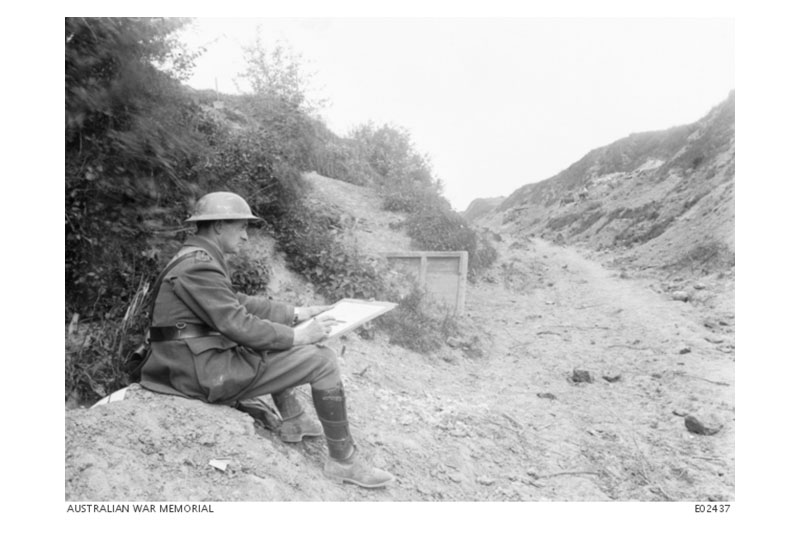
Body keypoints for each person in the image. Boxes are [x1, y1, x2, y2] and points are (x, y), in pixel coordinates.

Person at [140, 191, 394, 489]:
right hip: (198, 373)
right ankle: (344, 461)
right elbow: (237, 323)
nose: (246, 236)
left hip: (188, 362)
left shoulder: (195, 257)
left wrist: (297, 313)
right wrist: (298, 336)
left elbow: (236, 302)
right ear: (219, 225)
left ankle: (295, 419)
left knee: (270, 342)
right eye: (241, 227)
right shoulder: (200, 265)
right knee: (322, 360)